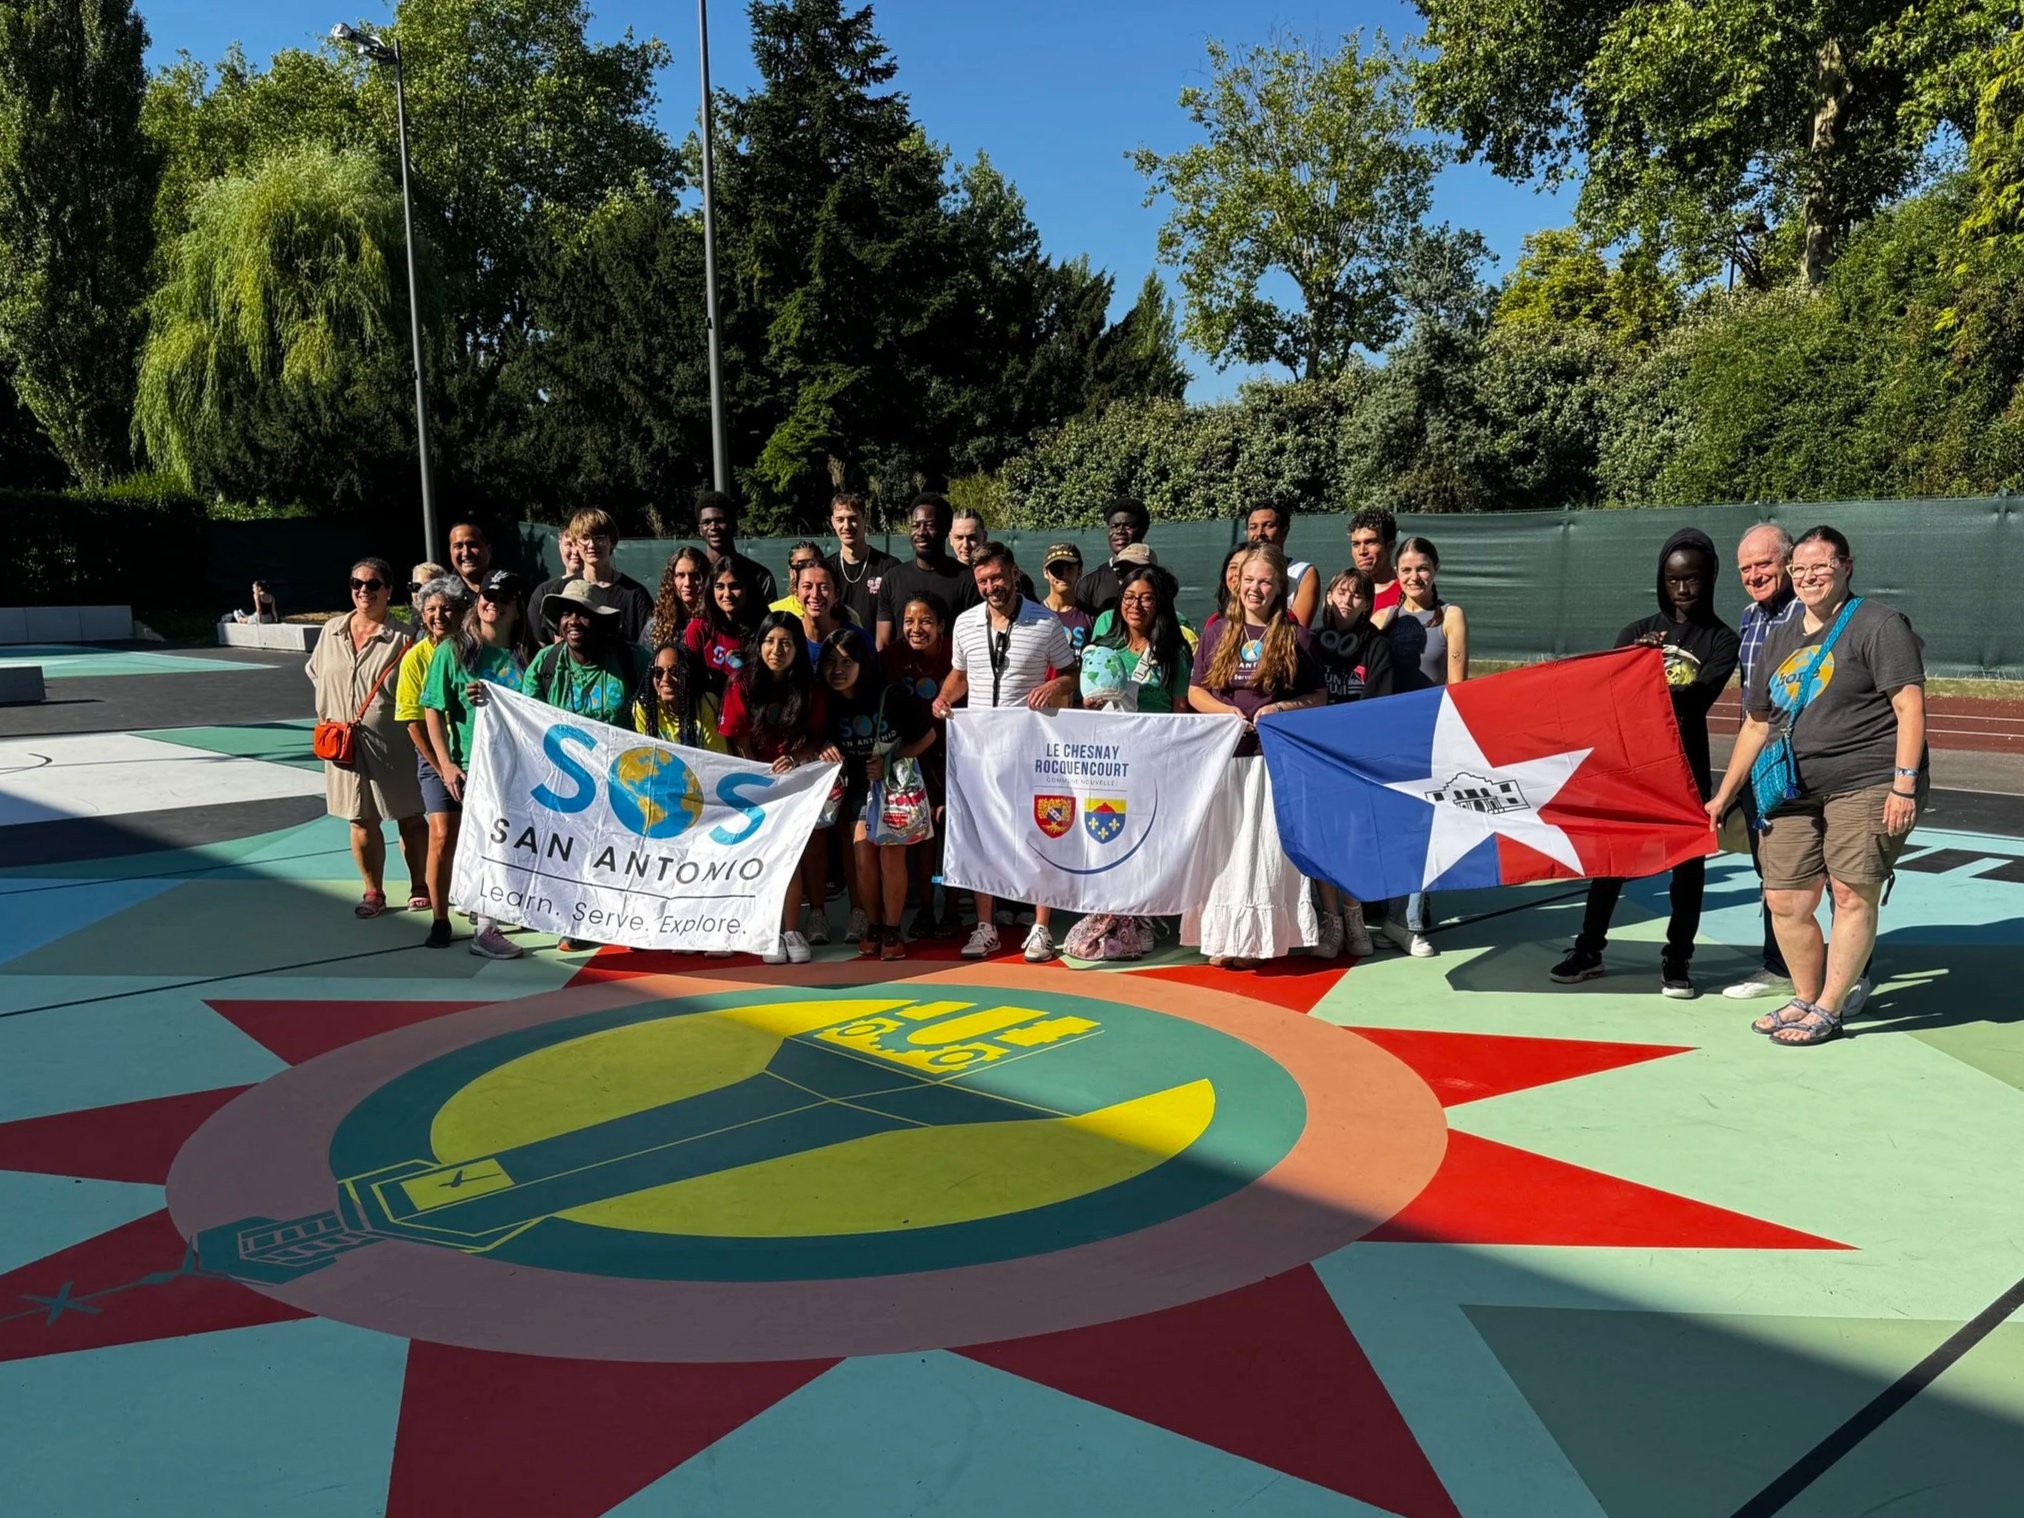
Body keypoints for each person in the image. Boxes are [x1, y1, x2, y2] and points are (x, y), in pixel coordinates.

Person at [1706, 526, 1928, 1047]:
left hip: (1866, 780)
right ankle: (1806, 995)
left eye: (1820, 567)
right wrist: (1723, 793)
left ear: (1846, 566)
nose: (1808, 578)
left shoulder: (1878, 624)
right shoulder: (1780, 635)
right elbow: (1758, 723)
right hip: (1789, 787)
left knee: (1850, 892)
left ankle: (1830, 1007)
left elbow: (1909, 705)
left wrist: (1903, 785)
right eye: (1800, 570)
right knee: (1784, 897)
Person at [1551, 530, 1740, 998]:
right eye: (1673, 579)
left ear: (1710, 578)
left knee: (1689, 868)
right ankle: (1589, 949)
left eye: (1692, 579)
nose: (1683, 589)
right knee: (1612, 861)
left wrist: (1647, 675)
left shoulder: (1722, 640)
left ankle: (1678, 959)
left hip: (1684, 770)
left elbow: (1696, 701)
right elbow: (1611, 699)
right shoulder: (1636, 633)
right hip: (1633, 767)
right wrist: (1635, 661)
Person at [933, 541, 1078, 961]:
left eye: (997, 577)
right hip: (979, 749)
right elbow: (960, 675)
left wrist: (1054, 685)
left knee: (1039, 834)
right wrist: (943, 699)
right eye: (982, 580)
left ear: (1013, 573)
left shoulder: (1045, 622)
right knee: (982, 838)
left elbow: (1070, 673)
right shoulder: (963, 624)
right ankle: (985, 926)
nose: (991, 587)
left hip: (1030, 747)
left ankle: (1040, 927)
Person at [1185, 544, 1326, 968]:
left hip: (1272, 760)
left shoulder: (1297, 636)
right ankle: (1223, 936)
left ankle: (1255, 942)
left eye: (1265, 581)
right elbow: (1195, 692)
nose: (1255, 589)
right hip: (1226, 759)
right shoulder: (1215, 632)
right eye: (1249, 580)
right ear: (1236, 583)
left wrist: (1279, 709)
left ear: (1280, 585)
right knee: (1225, 848)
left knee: (1262, 850)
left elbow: (1318, 696)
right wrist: (1225, 712)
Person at [523, 580, 650, 954]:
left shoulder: (632, 660)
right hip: (567, 785)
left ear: (600, 619)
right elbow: (524, 719)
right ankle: (577, 921)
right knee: (573, 855)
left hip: (624, 781)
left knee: (625, 855)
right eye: (566, 613)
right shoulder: (545, 664)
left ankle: (629, 922)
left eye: (582, 613)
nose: (573, 620)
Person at [420, 570, 534, 956]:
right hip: (475, 765)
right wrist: (446, 764)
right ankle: (485, 928)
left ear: (517, 608)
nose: (492, 603)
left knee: (510, 844)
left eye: (503, 598)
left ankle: (497, 912)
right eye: (487, 595)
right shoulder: (452, 650)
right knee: (488, 842)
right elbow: (432, 709)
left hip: (519, 767)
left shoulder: (527, 654)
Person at [307, 558, 427, 920]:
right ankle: (373, 890)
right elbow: (316, 673)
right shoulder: (331, 631)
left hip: (395, 745)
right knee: (359, 819)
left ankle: (419, 885)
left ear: (389, 591)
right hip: (342, 744)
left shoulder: (405, 637)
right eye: (356, 583)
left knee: (409, 815)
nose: (363, 590)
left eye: (373, 584)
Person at [1721, 524, 1806, 1003]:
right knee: (1769, 870)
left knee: (1829, 873)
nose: (1755, 576)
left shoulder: (1812, 613)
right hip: (1761, 763)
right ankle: (1779, 964)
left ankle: (1852, 969)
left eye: (1764, 564)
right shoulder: (1750, 618)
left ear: (1788, 563)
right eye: (1746, 568)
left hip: (1804, 762)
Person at [721, 612, 834, 964]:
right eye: (769, 641)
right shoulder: (741, 684)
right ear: (759, 644)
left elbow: (814, 740)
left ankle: (791, 929)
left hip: (792, 784)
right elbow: (736, 738)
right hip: (752, 785)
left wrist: (795, 758)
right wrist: (760, 774)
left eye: (786, 642)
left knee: (789, 857)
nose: (777, 649)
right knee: (759, 858)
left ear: (798, 648)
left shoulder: (811, 690)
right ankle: (764, 930)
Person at [819, 627, 938, 962]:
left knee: (890, 856)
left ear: (864, 662)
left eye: (846, 662)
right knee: (862, 859)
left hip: (893, 790)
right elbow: (817, 741)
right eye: (830, 663)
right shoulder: (825, 703)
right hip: (857, 791)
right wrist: (824, 746)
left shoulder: (893, 695)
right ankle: (873, 925)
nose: (837, 670)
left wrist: (893, 758)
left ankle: (892, 928)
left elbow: (927, 736)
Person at [1380, 535, 1470, 957]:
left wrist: (1453, 739)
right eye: (1405, 570)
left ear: (1435, 569)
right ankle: (1395, 912)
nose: (1414, 576)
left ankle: (1408, 922)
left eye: (1421, 568)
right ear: (1396, 575)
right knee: (1397, 828)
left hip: (1433, 737)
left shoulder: (1451, 616)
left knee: (1425, 828)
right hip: (1391, 738)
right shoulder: (1385, 618)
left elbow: (1458, 687)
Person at [1307, 567, 1396, 959]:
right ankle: (1332, 923)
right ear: (1328, 597)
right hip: (1316, 756)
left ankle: (1355, 915)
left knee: (1355, 840)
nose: (1346, 600)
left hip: (1355, 759)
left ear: (1366, 604)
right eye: (1340, 592)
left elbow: (1379, 704)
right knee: (1322, 839)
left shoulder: (1377, 645)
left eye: (1356, 595)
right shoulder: (1310, 642)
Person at [885, 593, 957, 937]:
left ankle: (954, 908)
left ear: (941, 627)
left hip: (956, 756)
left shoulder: (955, 656)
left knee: (953, 834)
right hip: (912, 760)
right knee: (925, 834)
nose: (916, 628)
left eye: (925, 621)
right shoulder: (892, 658)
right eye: (909, 621)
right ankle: (927, 908)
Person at [398, 574, 470, 917]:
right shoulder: (415, 658)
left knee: (479, 836)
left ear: (462, 611)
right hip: (434, 761)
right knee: (441, 834)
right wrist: (442, 768)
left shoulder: (477, 650)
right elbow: (413, 722)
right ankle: (439, 915)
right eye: (431, 609)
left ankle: (474, 899)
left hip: (474, 757)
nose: (438, 615)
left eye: (447, 608)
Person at [1083, 563, 1192, 713]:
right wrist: (1091, 704)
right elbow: (1090, 705)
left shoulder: (1176, 652)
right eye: (1128, 597)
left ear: (1160, 603)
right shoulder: (1103, 649)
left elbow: (1180, 708)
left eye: (1146, 599)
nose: (1136, 605)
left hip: (1158, 735)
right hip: (1111, 734)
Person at [875, 492, 978, 649]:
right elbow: (883, 643)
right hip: (901, 672)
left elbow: (974, 641)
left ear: (946, 530)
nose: (921, 532)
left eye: (930, 525)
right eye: (915, 526)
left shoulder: (967, 580)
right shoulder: (892, 579)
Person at [550, 508, 653, 643]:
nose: (592, 545)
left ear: (612, 542)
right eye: (585, 538)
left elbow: (647, 648)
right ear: (575, 543)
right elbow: (560, 648)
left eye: (599, 538)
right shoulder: (561, 590)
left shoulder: (635, 595)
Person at [631, 639, 724, 753]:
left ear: (689, 674)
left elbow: (715, 758)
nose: (665, 679)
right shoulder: (645, 708)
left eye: (675, 671)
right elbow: (645, 757)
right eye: (658, 672)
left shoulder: (706, 704)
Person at [684, 557, 761, 693]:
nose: (727, 594)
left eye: (734, 586)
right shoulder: (699, 628)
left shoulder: (764, 628)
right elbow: (690, 680)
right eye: (720, 587)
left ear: (748, 587)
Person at [825, 491, 899, 630]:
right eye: (840, 520)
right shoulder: (826, 569)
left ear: (865, 519)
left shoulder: (889, 567)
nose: (847, 526)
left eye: (853, 518)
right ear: (833, 522)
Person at [1244, 503, 1320, 626]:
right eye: (1253, 527)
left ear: (1284, 532)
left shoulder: (1304, 573)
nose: (1259, 533)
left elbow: (1297, 632)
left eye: (1268, 526)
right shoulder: (1238, 569)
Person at [697, 489, 779, 603]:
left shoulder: (759, 576)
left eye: (720, 521)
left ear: (733, 524)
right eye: (706, 522)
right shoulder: (694, 576)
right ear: (700, 529)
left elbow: (770, 620)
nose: (713, 527)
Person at [1075, 502, 1151, 615]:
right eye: (1114, 526)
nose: (1120, 531)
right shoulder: (1089, 583)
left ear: (1142, 530)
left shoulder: (1155, 577)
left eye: (1128, 525)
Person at [647, 545, 713, 648]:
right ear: (671, 580)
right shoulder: (656, 625)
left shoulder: (717, 623)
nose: (687, 583)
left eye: (695, 576)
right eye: (681, 575)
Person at [1040, 542, 1094, 666]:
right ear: (1045, 573)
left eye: (1069, 568)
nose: (1064, 575)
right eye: (1056, 569)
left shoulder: (1091, 616)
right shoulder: (1033, 615)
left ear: (1079, 572)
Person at [1347, 507, 1402, 625]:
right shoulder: (1343, 590)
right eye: (1355, 544)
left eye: (1370, 542)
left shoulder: (1408, 589)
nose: (1362, 551)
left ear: (1390, 545)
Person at [528, 528, 583, 639]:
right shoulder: (543, 592)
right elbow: (538, 642)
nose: (575, 551)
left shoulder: (602, 588)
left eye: (579, 544)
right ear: (560, 546)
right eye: (569, 544)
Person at [769, 541, 828, 615]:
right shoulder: (775, 611)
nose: (806, 572)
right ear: (791, 572)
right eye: (800, 566)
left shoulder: (835, 611)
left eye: (812, 565)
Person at [447, 521, 493, 598]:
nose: (466, 553)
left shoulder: (509, 586)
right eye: (458, 546)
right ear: (450, 552)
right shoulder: (444, 595)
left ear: (489, 550)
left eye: (473, 545)